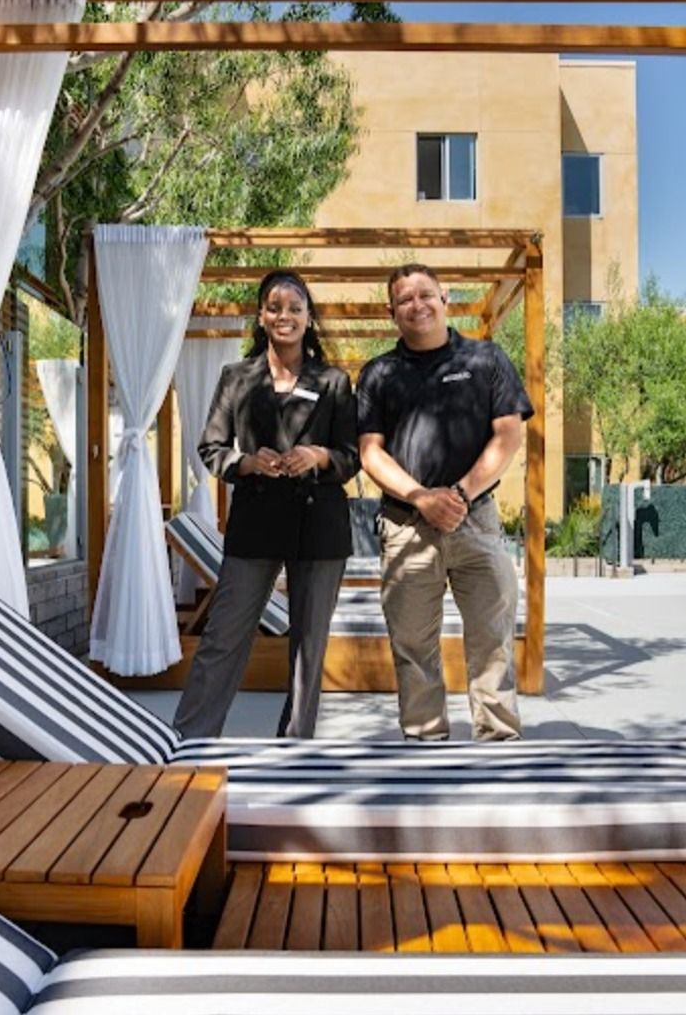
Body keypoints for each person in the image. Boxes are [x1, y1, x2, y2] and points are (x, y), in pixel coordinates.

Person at [173, 270, 359, 740]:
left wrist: (317, 456)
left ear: (309, 318)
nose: (284, 316)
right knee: (223, 637)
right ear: (261, 316)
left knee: (308, 647)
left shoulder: (334, 381)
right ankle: (192, 738)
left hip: (319, 527)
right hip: (255, 522)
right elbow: (211, 447)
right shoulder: (236, 377)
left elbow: (351, 457)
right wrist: (249, 463)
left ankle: (295, 748)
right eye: (275, 307)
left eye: (295, 308)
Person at [356, 262, 533, 741]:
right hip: (406, 527)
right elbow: (369, 451)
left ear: (445, 297)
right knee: (412, 644)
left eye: (425, 294)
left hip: (476, 522)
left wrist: (459, 494)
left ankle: (498, 743)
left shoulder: (486, 360)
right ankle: (425, 741)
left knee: (492, 638)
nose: (417, 305)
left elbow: (508, 434)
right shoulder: (379, 373)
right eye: (405, 299)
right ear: (391, 312)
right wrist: (420, 497)